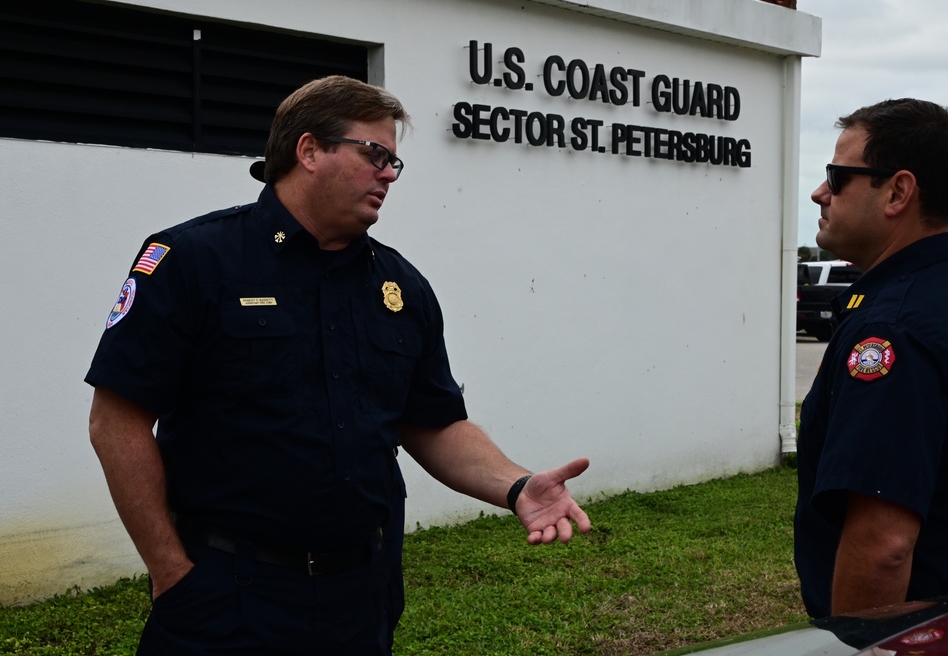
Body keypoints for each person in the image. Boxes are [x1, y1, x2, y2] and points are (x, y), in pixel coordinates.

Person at [86, 75, 591, 655]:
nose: (388, 175)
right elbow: (116, 421)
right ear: (308, 151)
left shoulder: (401, 286)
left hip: (359, 598)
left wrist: (517, 486)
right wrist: (170, 569)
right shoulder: (193, 260)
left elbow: (433, 422)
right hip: (226, 595)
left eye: (395, 164)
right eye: (374, 154)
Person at [794, 98, 948, 619]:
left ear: (898, 192)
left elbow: (883, 547)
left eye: (837, 177)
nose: (819, 193)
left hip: (924, 634)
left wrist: (855, 646)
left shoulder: (892, 332)